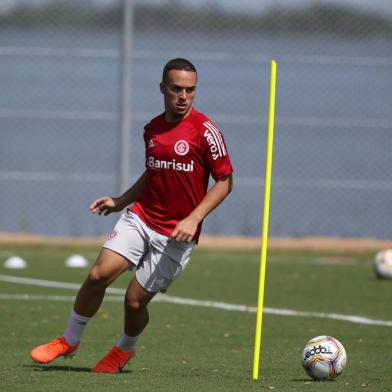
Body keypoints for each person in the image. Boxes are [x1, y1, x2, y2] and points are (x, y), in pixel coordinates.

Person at [30, 58, 233, 373]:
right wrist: (121, 200)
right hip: (142, 217)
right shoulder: (152, 128)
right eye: (177, 89)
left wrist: (193, 218)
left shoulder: (205, 132)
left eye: (190, 90)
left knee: (134, 300)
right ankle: (70, 339)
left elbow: (225, 182)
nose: (183, 96)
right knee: (98, 274)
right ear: (163, 88)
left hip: (176, 236)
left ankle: (125, 348)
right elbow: (153, 174)